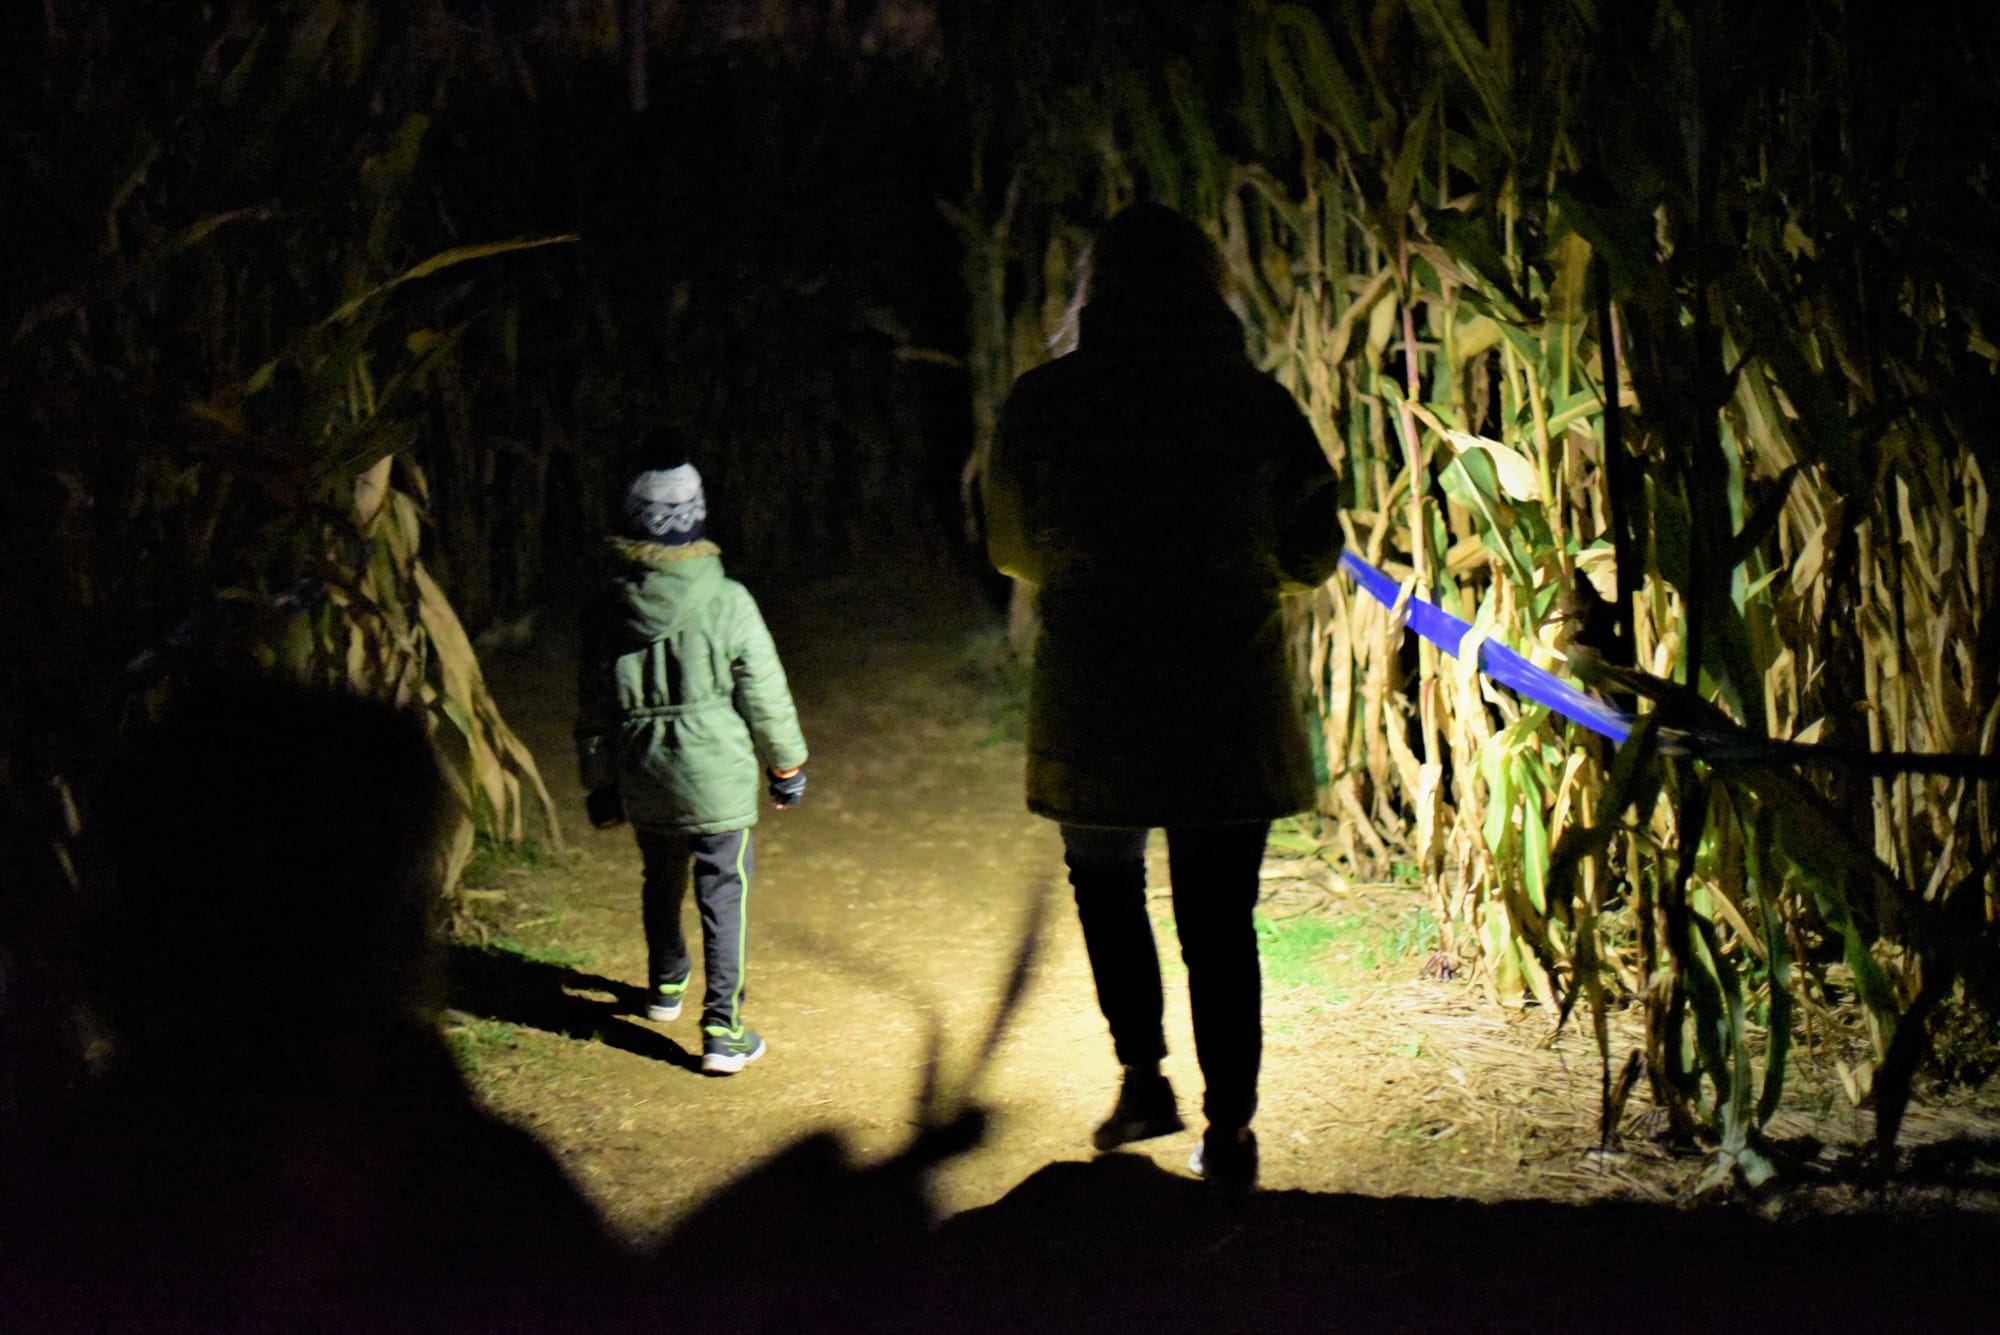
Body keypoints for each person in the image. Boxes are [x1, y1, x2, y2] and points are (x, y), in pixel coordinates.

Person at [982, 203, 1345, 1191]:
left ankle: (1141, 1078)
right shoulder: (1253, 404)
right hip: (1225, 689)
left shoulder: (1042, 402)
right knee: (1218, 918)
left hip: (1093, 690)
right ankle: (1230, 1129)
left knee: (1106, 887)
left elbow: (1009, 546)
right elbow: (1312, 552)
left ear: (1092, 292)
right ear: (1207, 289)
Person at [576, 452, 809, 1075]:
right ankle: (723, 1031)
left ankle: (664, 986)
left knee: (661, 876)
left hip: (644, 772)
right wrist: (786, 765)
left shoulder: (607, 608)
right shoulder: (729, 601)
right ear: (696, 520)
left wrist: (600, 785)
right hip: (717, 778)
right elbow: (764, 690)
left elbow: (594, 709)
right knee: (723, 892)